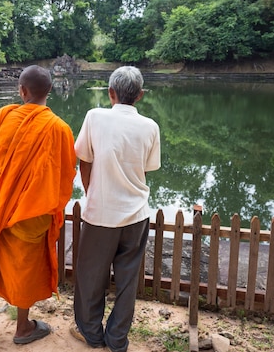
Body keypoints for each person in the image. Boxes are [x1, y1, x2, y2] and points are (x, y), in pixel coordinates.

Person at [0, 64, 77, 345]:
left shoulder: (2, 117)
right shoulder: (60, 129)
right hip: (34, 213)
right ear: (50, 91)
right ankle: (22, 328)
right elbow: (66, 178)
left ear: (21, 90)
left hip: (2, 206)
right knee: (26, 267)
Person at [71, 66, 161, 351]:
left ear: (110, 93)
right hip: (136, 215)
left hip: (100, 214)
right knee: (126, 280)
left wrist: (92, 192)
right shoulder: (150, 126)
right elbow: (146, 169)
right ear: (141, 96)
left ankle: (92, 334)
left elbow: (83, 159)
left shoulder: (95, 117)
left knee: (90, 277)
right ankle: (117, 339)